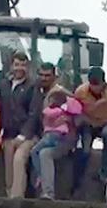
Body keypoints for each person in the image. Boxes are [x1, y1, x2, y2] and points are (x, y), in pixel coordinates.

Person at [31, 63, 77, 200]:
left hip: (64, 138)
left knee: (45, 154)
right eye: (41, 75)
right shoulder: (36, 92)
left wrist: (68, 119)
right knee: (34, 151)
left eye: (47, 75)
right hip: (44, 135)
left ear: (55, 77)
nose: (44, 78)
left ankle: (48, 193)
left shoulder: (63, 94)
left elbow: (79, 108)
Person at [74, 66, 107, 183]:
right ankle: (78, 177)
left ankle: (104, 172)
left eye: (98, 85)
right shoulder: (80, 91)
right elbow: (76, 112)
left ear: (104, 82)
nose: (95, 88)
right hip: (88, 123)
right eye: (92, 84)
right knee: (85, 150)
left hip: (106, 123)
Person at [0, 52, 38, 198]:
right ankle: (9, 195)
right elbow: (0, 109)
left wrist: (23, 135)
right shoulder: (4, 85)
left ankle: (17, 198)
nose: (19, 68)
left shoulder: (33, 87)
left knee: (19, 159)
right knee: (8, 162)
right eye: (16, 65)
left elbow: (34, 113)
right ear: (11, 66)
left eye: (23, 65)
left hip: (28, 136)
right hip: (8, 135)